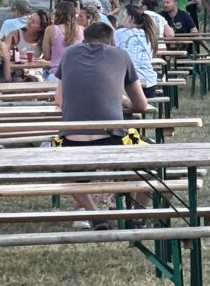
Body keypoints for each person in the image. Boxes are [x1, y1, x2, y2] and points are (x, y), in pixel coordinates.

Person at [55, 21, 152, 227]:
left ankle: (94, 214)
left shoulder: (70, 54)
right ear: (111, 42)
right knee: (152, 160)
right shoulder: (121, 55)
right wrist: (123, 100)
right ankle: (137, 216)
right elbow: (142, 105)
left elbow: (59, 100)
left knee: (63, 167)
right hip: (111, 139)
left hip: (71, 141)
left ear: (84, 40)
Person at [114, 3, 161, 94]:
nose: (122, 20)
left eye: (123, 17)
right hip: (150, 83)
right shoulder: (149, 34)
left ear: (130, 18)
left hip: (128, 84)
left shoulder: (120, 33)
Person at [42, 0, 80, 76]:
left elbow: (46, 56)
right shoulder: (83, 30)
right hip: (78, 72)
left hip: (57, 73)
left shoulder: (50, 29)